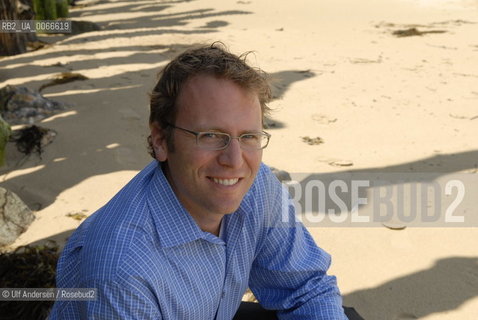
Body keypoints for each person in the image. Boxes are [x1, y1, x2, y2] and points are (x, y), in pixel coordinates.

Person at [49, 44, 351, 319]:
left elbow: (305, 288)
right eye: (210, 135)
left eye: (248, 136)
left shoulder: (257, 185)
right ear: (160, 141)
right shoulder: (124, 267)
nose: (234, 160)